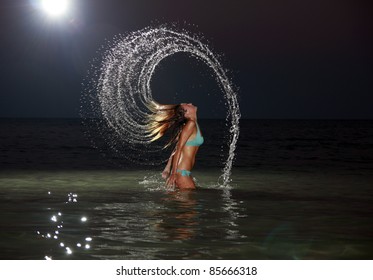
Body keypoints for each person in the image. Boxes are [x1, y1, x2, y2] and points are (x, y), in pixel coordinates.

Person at [146, 101, 204, 189]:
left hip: (184, 172)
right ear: (186, 112)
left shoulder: (192, 124)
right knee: (189, 201)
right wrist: (173, 174)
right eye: (187, 105)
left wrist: (168, 168)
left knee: (181, 200)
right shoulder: (190, 124)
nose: (190, 103)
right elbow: (179, 148)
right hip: (181, 173)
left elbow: (177, 146)